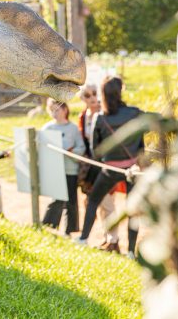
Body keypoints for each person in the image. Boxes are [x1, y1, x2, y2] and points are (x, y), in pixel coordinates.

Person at [76, 77, 144, 259]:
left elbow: (95, 150)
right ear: (120, 91)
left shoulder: (100, 118)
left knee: (93, 201)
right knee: (133, 210)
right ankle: (130, 251)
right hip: (132, 169)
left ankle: (83, 239)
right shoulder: (135, 113)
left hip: (109, 169)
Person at [77, 85, 121, 252]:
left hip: (107, 163)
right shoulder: (84, 116)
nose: (92, 97)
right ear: (83, 99)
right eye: (88, 95)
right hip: (91, 166)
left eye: (95, 93)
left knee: (107, 202)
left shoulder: (106, 114)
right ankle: (107, 237)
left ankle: (114, 240)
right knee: (97, 202)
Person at [41, 99, 86, 235]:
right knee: (57, 199)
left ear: (65, 110)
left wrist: (70, 152)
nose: (54, 113)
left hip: (70, 169)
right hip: (55, 170)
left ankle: (70, 230)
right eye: (52, 110)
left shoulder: (73, 129)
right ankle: (49, 226)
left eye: (57, 110)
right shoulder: (47, 128)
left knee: (71, 201)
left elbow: (81, 147)